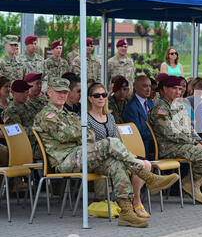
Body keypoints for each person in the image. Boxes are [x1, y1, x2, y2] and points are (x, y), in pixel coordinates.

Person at [33, 77, 179, 228]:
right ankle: (148, 177)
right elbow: (65, 135)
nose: (62, 95)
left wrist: (75, 131)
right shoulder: (46, 115)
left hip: (81, 155)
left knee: (116, 164)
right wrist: (77, 131)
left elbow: (89, 135)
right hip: (65, 160)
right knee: (110, 142)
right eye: (58, 92)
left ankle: (126, 212)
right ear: (49, 93)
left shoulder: (67, 115)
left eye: (64, 92)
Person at [149, 74, 202, 204]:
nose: (178, 92)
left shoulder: (179, 105)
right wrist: (195, 143)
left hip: (186, 144)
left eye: (180, 89)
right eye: (174, 88)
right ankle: (192, 184)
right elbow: (170, 133)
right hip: (170, 147)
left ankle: (194, 183)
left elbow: (189, 129)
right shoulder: (160, 109)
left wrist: (199, 141)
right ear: (164, 89)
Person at [87, 82, 151, 218]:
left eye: (104, 95)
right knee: (138, 164)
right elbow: (90, 143)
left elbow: (117, 139)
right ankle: (132, 203)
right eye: (96, 95)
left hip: (117, 153)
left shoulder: (109, 116)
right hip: (98, 157)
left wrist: (125, 152)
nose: (101, 98)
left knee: (146, 164)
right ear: (90, 98)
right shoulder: (85, 118)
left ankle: (136, 200)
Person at [1, 80, 41, 159]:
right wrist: (37, 130)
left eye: (27, 92)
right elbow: (16, 132)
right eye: (22, 92)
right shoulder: (10, 111)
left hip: (37, 142)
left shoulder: (29, 108)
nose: (26, 95)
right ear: (13, 93)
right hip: (25, 147)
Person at [122, 75, 154, 159]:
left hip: (153, 142)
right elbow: (137, 131)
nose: (148, 89)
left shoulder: (151, 103)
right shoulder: (131, 106)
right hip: (141, 145)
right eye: (145, 86)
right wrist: (156, 135)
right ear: (136, 87)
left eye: (150, 86)